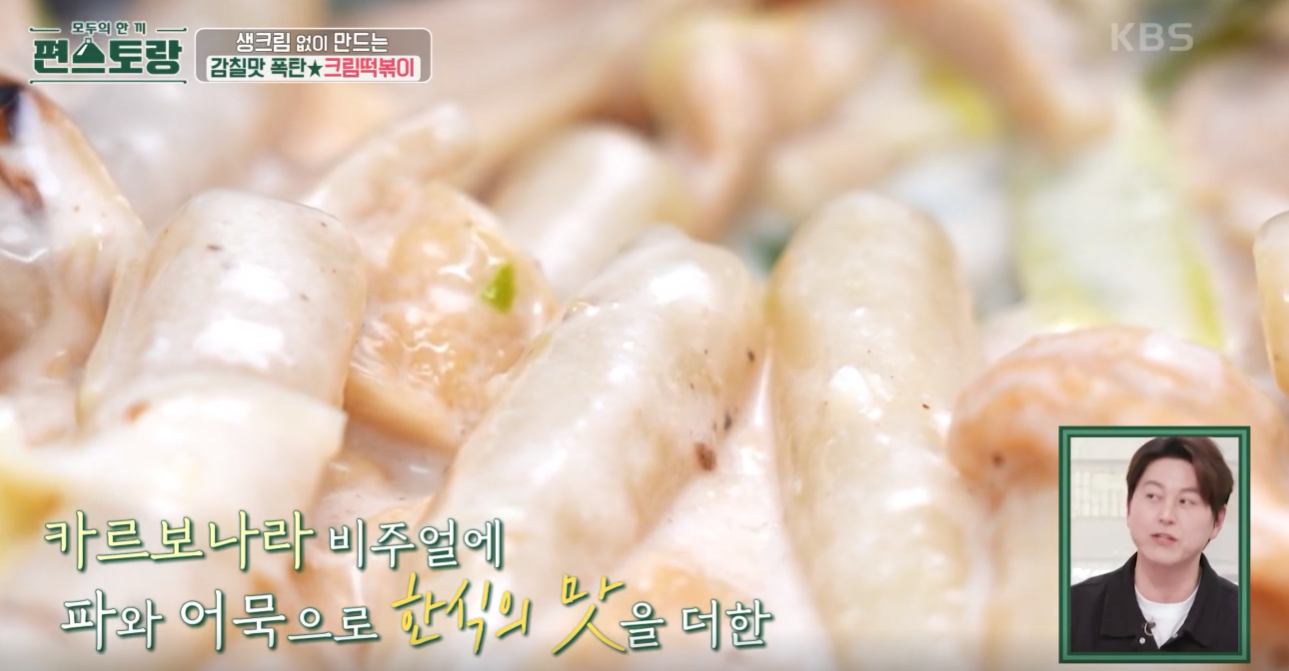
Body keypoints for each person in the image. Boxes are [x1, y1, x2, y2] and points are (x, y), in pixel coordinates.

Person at [1069, 435, 1240, 653]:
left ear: (1217, 521)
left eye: (1186, 501)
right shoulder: (1071, 610)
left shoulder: (1252, 620)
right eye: (1152, 496)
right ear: (1128, 507)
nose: (1166, 515)